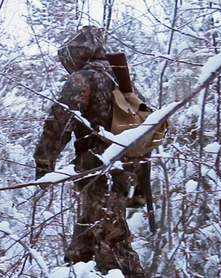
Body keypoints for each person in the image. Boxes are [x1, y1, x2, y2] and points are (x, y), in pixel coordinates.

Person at [34, 26, 146, 278]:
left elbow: (59, 120)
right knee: (83, 244)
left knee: (112, 244)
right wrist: (139, 184)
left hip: (101, 169)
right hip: (122, 171)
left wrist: (44, 163)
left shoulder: (83, 79)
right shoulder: (123, 82)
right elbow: (146, 128)